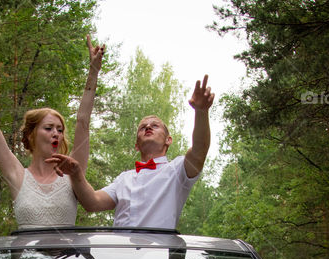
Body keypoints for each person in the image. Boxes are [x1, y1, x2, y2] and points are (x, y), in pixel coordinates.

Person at [0, 36, 105, 229]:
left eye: (60, 130)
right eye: (49, 128)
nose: (56, 133)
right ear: (31, 134)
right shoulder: (17, 175)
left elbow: (83, 121)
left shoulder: (72, 173)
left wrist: (93, 71)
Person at [48, 75, 214, 229]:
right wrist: (76, 173)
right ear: (136, 145)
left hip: (158, 257)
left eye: (154, 125)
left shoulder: (177, 170)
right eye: (142, 127)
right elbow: (92, 202)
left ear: (168, 140)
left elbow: (200, 149)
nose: (148, 127)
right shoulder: (123, 179)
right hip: (121, 256)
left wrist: (201, 112)